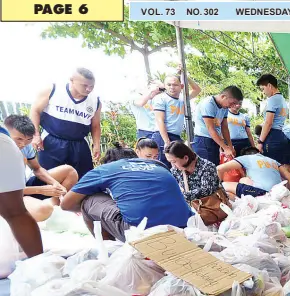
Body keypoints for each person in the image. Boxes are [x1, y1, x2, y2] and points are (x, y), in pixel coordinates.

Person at [61, 144, 192, 242]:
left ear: (108, 162)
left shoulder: (106, 169)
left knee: (88, 200)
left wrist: (87, 210)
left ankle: (110, 249)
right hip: (185, 227)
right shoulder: (158, 166)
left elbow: (66, 204)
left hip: (142, 233)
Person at [4, 115, 79, 221]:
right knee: (43, 210)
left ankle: (55, 206)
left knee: (69, 171)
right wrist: (40, 190)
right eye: (18, 139)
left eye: (28, 139)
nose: (23, 144)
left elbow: (37, 169)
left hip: (22, 187)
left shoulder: (25, 146)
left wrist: (54, 184)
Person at [29, 67, 101, 177]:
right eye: (84, 85)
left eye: (91, 86)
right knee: (49, 177)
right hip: (51, 140)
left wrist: (96, 145)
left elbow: (95, 125)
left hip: (79, 143)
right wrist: (36, 135)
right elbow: (35, 111)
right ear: (72, 80)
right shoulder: (53, 90)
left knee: (84, 178)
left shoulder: (95, 101)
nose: (88, 89)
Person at [0, 126, 43, 257]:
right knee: (16, 213)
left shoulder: (27, 151)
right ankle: (41, 267)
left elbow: (37, 168)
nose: (23, 143)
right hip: (4, 143)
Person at [152, 71, 202, 162]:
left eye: (175, 85)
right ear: (165, 86)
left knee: (179, 164)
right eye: (169, 84)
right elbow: (160, 120)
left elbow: (197, 90)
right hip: (163, 136)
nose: (172, 87)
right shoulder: (161, 98)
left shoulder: (182, 99)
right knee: (164, 164)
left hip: (176, 136)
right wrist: (166, 142)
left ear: (181, 86)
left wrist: (185, 76)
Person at [217, 147, 290, 199]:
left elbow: (219, 169)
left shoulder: (246, 158)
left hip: (261, 194)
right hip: (279, 195)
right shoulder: (273, 161)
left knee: (226, 185)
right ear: (259, 153)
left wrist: (217, 187)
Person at [192, 86, 243, 165]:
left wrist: (230, 146)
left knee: (215, 167)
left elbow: (225, 128)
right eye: (232, 103)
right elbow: (210, 129)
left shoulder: (225, 107)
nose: (232, 106)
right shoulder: (208, 104)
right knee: (207, 169)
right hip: (203, 140)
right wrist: (225, 148)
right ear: (223, 96)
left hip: (215, 140)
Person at [255, 74, 290, 165]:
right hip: (280, 135)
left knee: (271, 166)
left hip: (272, 137)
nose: (263, 92)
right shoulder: (282, 99)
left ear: (269, 85)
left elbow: (268, 123)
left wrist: (260, 142)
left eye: (263, 89)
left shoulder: (273, 99)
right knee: (280, 167)